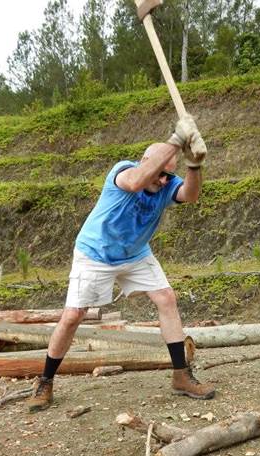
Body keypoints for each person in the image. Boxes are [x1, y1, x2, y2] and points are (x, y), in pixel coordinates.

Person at [27, 115, 215, 412]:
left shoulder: (167, 184)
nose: (163, 181)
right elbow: (137, 181)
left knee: (166, 298)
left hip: (135, 253)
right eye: (160, 173)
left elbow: (190, 195)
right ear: (146, 161)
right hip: (95, 253)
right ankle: (45, 381)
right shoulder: (124, 171)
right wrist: (177, 140)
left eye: (168, 176)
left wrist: (194, 165)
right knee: (74, 315)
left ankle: (181, 375)